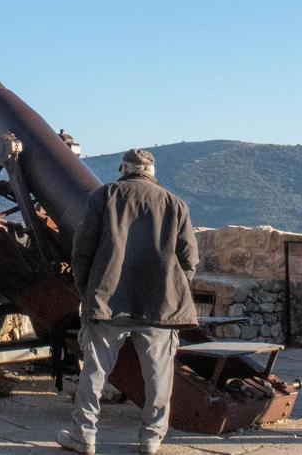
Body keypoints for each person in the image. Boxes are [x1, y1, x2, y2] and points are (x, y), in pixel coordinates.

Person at [56, 149, 200, 455]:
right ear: (151, 171)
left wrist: (88, 290)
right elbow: (190, 260)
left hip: (108, 300)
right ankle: (151, 438)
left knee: (94, 372)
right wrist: (174, 289)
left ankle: (84, 435)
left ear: (124, 168)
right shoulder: (175, 204)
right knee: (159, 375)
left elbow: (82, 251)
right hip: (160, 303)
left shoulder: (103, 197)